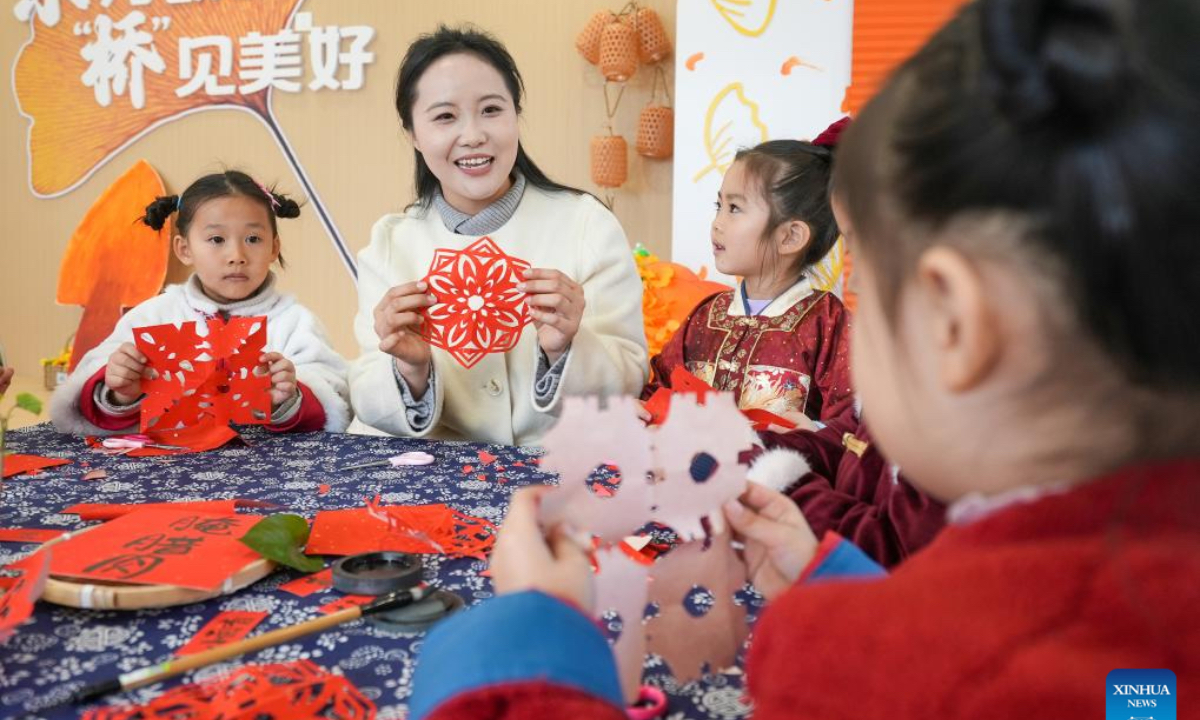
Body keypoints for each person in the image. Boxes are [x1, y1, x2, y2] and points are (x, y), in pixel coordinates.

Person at [407, 0, 1200, 716]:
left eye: (858, 259)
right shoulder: (1147, 663)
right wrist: (843, 577)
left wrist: (529, 639)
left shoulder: (839, 664)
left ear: (955, 323)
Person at [350, 26, 648, 446]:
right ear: (413, 135)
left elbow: (629, 378)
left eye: (491, 109)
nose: (473, 135)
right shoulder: (389, 242)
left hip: (554, 468)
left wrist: (566, 349)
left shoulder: (586, 224)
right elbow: (365, 391)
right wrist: (410, 371)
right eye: (445, 116)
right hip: (429, 468)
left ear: (516, 114)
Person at [51, 171, 351, 435]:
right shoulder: (151, 317)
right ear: (184, 249)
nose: (237, 254)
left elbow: (333, 393)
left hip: (266, 474)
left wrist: (291, 395)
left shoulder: (294, 322)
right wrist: (120, 393)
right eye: (217, 239)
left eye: (253, 239)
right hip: (160, 471)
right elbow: (90, 386)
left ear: (274, 247)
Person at [640, 128, 853, 426]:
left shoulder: (827, 323)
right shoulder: (706, 315)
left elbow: (847, 424)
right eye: (719, 206)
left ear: (790, 236)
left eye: (735, 208)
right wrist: (642, 409)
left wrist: (811, 433)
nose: (717, 223)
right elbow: (661, 388)